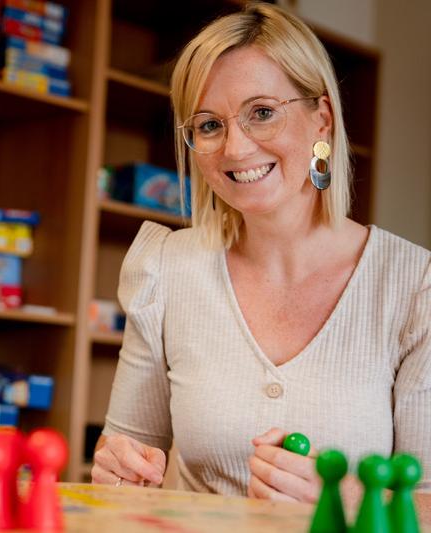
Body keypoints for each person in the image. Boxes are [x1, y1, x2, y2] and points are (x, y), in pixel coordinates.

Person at [92, 3, 430, 502]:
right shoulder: (164, 267)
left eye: (263, 113)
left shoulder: (414, 284)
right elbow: (125, 455)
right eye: (209, 125)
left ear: (322, 120)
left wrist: (347, 498)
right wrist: (117, 468)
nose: (236, 148)